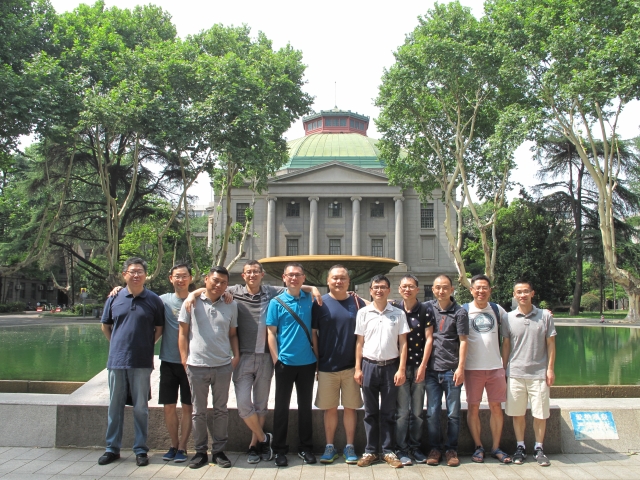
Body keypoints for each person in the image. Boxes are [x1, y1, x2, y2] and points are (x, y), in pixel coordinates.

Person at [185, 260, 321, 464]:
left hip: (267, 357)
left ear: (262, 274)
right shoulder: (234, 291)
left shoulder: (271, 292)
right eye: (248, 272)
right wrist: (192, 294)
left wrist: (315, 289)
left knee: (261, 405)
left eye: (256, 271)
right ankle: (266, 439)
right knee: (245, 404)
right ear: (243, 275)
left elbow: (296, 285)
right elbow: (212, 286)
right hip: (247, 356)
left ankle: (254, 445)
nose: (252, 275)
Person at [98, 258, 164, 467]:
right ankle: (112, 448)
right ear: (124, 274)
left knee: (140, 408)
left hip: (142, 361)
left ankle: (140, 449)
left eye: (140, 271)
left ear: (146, 275)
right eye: (132, 271)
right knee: (115, 406)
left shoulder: (154, 300)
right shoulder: (114, 298)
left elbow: (159, 328)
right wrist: (117, 344)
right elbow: (105, 325)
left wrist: (146, 344)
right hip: (116, 361)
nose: (136, 275)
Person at [178, 266, 239, 469]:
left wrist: (236, 355)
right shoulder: (191, 302)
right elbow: (182, 333)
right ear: (206, 279)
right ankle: (200, 451)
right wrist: (185, 360)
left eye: (223, 282)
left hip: (222, 366)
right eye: (215, 280)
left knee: (221, 410)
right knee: (198, 411)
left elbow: (232, 334)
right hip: (197, 366)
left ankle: (219, 451)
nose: (218, 285)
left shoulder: (231, 304)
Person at [312, 265, 366, 464]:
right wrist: (317, 362)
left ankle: (349, 446)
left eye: (343, 278)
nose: (339, 281)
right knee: (330, 408)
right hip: (327, 366)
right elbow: (314, 334)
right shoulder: (319, 303)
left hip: (352, 367)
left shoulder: (357, 302)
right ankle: (329, 446)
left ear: (349, 281)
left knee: (351, 408)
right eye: (335, 278)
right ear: (328, 281)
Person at [354, 274, 409, 469]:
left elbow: (403, 343)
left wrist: (401, 369)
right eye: (375, 287)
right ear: (370, 290)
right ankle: (370, 451)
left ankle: (387, 451)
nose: (379, 290)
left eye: (382, 287)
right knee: (369, 412)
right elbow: (359, 343)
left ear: (389, 290)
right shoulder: (363, 313)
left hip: (390, 368)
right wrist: (358, 368)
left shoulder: (398, 314)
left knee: (388, 412)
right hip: (369, 366)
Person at [266, 262, 317, 467]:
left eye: (298, 275)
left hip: (308, 363)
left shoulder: (311, 299)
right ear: (284, 278)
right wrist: (276, 359)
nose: (294, 278)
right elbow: (271, 332)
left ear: (304, 278)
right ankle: (279, 449)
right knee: (281, 407)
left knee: (306, 407)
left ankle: (306, 448)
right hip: (285, 363)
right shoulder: (276, 302)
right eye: (290, 275)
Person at [502, 280, 556, 467]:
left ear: (532, 293)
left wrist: (550, 369)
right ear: (514, 295)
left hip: (539, 373)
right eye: (519, 292)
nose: (522, 295)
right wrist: (503, 370)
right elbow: (506, 345)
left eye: (526, 291)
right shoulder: (508, 317)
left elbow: (551, 344)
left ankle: (539, 448)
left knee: (540, 413)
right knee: (517, 413)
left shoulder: (545, 316)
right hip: (516, 373)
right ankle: (520, 446)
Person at [463, 274, 511, 464]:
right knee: (473, 407)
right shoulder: (464, 310)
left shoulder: (498, 310)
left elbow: (514, 327)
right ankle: (478, 447)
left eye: (485, 288)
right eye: (478, 288)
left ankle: (496, 447)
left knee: (496, 407)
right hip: (472, 368)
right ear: (471, 290)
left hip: (495, 368)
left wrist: (543, 313)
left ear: (490, 290)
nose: (481, 291)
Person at [425, 274, 468, 467]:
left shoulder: (459, 312)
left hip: (451, 370)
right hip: (431, 371)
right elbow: (403, 306)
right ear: (433, 289)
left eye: (445, 287)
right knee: (432, 412)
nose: (441, 291)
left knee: (453, 413)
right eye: (437, 287)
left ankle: (451, 449)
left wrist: (461, 368)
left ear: (452, 289)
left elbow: (463, 341)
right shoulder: (427, 308)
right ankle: (435, 449)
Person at [391, 274, 434, 466]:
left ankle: (415, 447)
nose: (407, 289)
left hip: (418, 367)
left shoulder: (425, 310)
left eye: (411, 286)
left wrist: (423, 366)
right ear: (399, 289)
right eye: (404, 286)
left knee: (416, 411)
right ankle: (401, 448)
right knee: (402, 412)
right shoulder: (394, 309)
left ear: (417, 289)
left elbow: (429, 339)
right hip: (399, 367)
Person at [157, 265, 193, 463]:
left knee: (188, 406)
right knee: (169, 406)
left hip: (191, 363)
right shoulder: (163, 300)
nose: (181, 280)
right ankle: (173, 444)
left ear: (190, 278)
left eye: (184, 276)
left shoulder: (196, 299)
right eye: (177, 276)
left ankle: (183, 447)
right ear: (171, 278)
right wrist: (118, 289)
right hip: (168, 361)